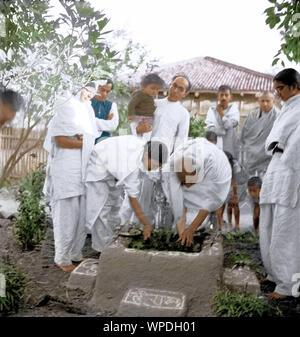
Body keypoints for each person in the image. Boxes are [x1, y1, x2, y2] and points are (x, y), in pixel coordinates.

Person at [120, 74, 191, 227]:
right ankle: (123, 230)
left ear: (185, 94)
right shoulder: (154, 104)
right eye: (174, 85)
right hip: (143, 154)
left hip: (162, 160)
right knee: (132, 193)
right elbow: (137, 126)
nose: (175, 90)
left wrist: (170, 165)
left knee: (153, 201)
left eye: (181, 89)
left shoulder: (183, 114)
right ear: (170, 85)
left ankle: (143, 232)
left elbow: (181, 142)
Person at [43, 83, 98, 273]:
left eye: (93, 92)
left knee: (81, 215)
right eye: (87, 89)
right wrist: (82, 144)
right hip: (65, 170)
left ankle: (75, 253)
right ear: (79, 86)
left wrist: (86, 142)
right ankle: (62, 257)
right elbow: (60, 139)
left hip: (82, 171)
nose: (89, 94)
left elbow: (90, 137)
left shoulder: (88, 109)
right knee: (66, 215)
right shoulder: (66, 104)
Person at [84, 135, 169, 253]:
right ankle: (101, 250)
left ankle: (111, 242)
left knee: (115, 207)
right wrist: (146, 225)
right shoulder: (132, 166)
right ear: (147, 156)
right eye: (154, 165)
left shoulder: (145, 149)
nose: (153, 169)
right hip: (98, 165)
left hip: (112, 166)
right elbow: (133, 199)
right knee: (102, 209)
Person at [259, 68, 300, 299]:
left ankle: (289, 287)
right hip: (276, 169)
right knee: (269, 225)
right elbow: (272, 141)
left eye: (281, 89)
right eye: (276, 90)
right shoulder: (286, 109)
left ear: (295, 86)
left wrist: (284, 152)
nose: (278, 94)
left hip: (292, 172)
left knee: (288, 231)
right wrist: (278, 148)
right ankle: (274, 275)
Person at [162, 138, 232, 246]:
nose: (186, 186)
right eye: (182, 182)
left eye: (187, 181)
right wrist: (181, 232)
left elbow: (209, 203)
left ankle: (213, 229)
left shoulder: (214, 170)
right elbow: (178, 200)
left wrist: (191, 230)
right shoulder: (173, 166)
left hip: (216, 173)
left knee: (211, 209)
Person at [240, 91, 278, 177]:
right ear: (259, 101)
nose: (265, 104)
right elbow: (245, 133)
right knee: (251, 180)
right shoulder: (252, 115)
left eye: (268, 101)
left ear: (273, 101)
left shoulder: (278, 116)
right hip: (252, 154)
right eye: (262, 101)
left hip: (268, 155)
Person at [205, 85, 240, 159]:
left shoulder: (234, 111)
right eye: (221, 95)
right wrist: (223, 131)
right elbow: (209, 128)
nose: (223, 98)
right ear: (218, 96)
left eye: (226, 95)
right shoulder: (212, 110)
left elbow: (228, 125)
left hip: (230, 149)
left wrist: (220, 112)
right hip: (215, 148)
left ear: (231, 97)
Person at [128, 73, 165, 141]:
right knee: (137, 136)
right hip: (139, 118)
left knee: (147, 134)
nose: (155, 92)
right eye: (152, 88)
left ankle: (145, 145)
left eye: (157, 89)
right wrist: (131, 115)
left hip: (148, 119)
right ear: (143, 87)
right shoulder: (140, 94)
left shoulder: (150, 97)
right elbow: (131, 104)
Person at [91, 79, 119, 144]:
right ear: (96, 87)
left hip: (103, 142)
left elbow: (113, 126)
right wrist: (106, 122)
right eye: (102, 90)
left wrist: (92, 121)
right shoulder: (87, 100)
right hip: (86, 139)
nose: (104, 94)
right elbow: (83, 121)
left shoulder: (112, 105)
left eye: (108, 91)